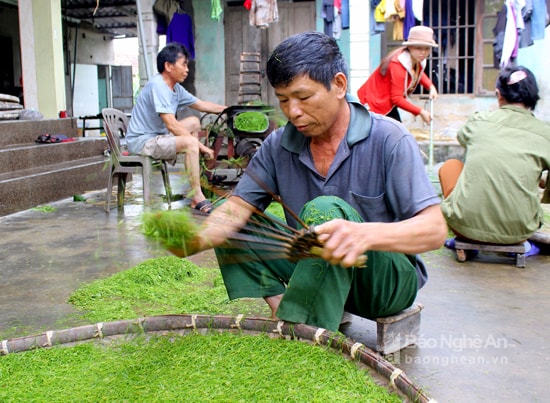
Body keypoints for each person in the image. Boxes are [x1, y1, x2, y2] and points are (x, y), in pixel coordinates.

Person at [171, 31, 447, 332]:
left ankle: (305, 330)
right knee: (231, 216)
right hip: (313, 267)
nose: (293, 111)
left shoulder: (389, 138)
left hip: (382, 282)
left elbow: (434, 230)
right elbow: (236, 209)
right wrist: (195, 239)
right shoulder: (278, 145)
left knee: (325, 211)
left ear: (339, 85)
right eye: (283, 100)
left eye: (303, 97)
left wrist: (363, 235)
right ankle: (288, 314)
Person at [440, 65, 550, 257]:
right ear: (534, 96)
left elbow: (463, 138)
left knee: (450, 166)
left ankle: (469, 242)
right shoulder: (545, 134)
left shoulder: (478, 122)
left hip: (466, 226)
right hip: (519, 230)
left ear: (499, 94)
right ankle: (522, 245)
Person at [126, 42, 227, 213]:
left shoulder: (176, 89)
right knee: (190, 143)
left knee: (194, 122)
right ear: (168, 66)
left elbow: (201, 105)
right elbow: (172, 125)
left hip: (158, 136)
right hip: (143, 142)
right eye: (184, 64)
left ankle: (197, 173)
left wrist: (229, 110)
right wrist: (202, 147)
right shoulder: (158, 85)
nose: (187, 69)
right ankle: (197, 196)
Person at [357, 25, 439, 124]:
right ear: (410, 47)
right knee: (391, 135)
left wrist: (430, 87)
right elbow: (397, 98)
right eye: (419, 48)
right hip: (375, 103)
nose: (423, 52)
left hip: (387, 103)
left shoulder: (416, 59)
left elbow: (417, 73)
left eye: (427, 49)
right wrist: (420, 112)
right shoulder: (398, 65)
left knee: (397, 133)